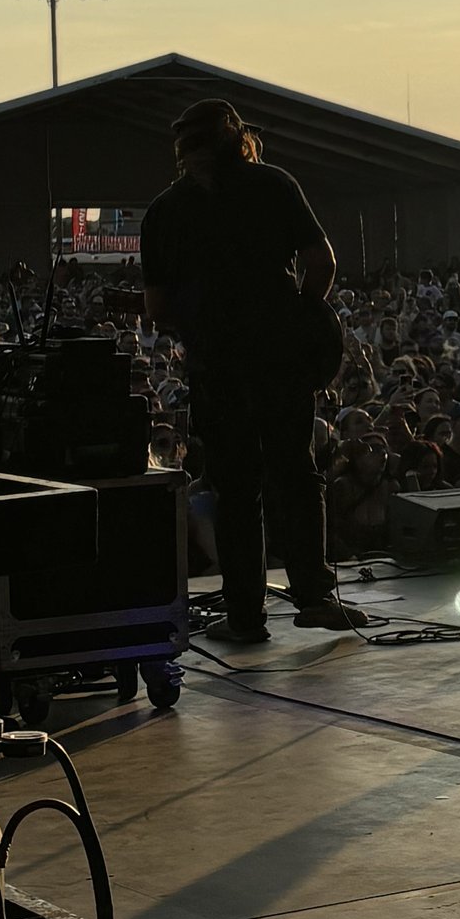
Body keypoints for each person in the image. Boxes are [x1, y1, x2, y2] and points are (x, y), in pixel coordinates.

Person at [138, 97, 368, 641]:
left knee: (236, 490)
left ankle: (245, 616)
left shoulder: (164, 212)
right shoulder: (274, 185)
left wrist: (202, 323)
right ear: (237, 136)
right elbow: (321, 263)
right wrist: (303, 313)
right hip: (283, 359)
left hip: (216, 367)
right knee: (295, 471)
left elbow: (155, 307)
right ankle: (314, 595)